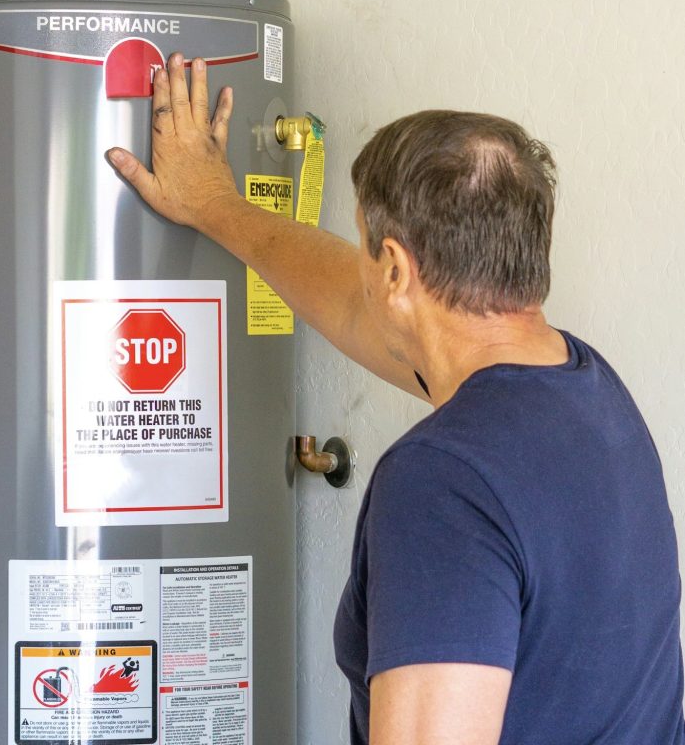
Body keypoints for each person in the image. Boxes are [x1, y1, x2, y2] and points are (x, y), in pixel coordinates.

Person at [108, 53, 684, 745]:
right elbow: (359, 310)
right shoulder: (587, 391)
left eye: (364, 251)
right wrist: (214, 206)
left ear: (394, 269)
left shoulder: (442, 482)